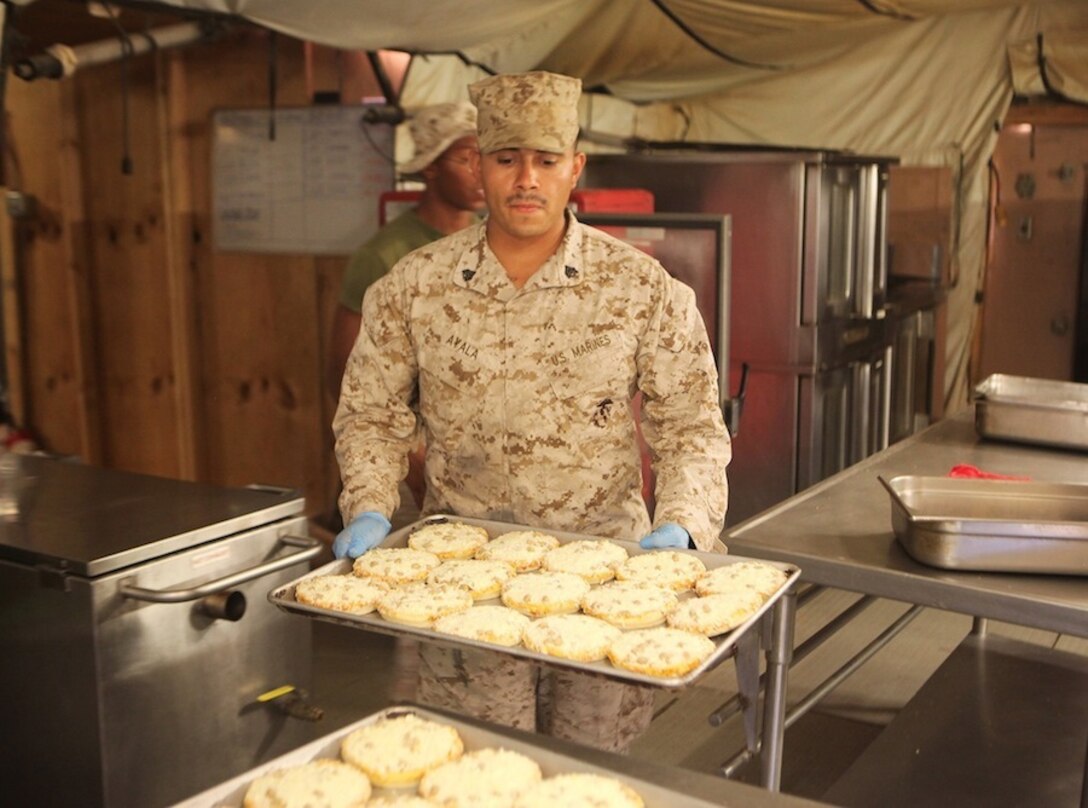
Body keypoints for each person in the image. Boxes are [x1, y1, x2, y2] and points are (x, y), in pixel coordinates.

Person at [332, 71, 731, 753]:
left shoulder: (640, 289)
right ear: (479, 166)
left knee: (587, 772)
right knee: (486, 767)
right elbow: (370, 413)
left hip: (601, 580)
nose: (526, 179)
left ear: (574, 168)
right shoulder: (413, 287)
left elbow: (691, 428)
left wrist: (684, 526)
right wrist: (370, 502)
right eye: (506, 159)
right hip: (466, 583)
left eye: (546, 161)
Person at [326, 101, 485, 517]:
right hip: (404, 468)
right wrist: (413, 464)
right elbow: (345, 375)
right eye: (465, 157)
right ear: (430, 167)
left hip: (475, 468)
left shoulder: (493, 244)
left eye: (487, 157)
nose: (479, 170)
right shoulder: (386, 256)